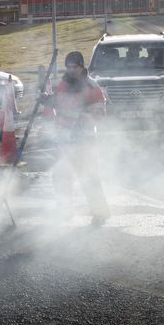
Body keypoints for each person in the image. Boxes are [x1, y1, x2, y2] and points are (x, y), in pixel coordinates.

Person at [41, 51, 110, 225]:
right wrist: (48, 101)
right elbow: (59, 103)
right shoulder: (63, 84)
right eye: (69, 67)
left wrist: (81, 121)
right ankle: (65, 212)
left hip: (84, 139)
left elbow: (99, 114)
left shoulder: (92, 86)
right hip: (64, 138)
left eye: (75, 67)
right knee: (61, 176)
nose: (72, 70)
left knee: (88, 176)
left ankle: (100, 212)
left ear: (82, 67)